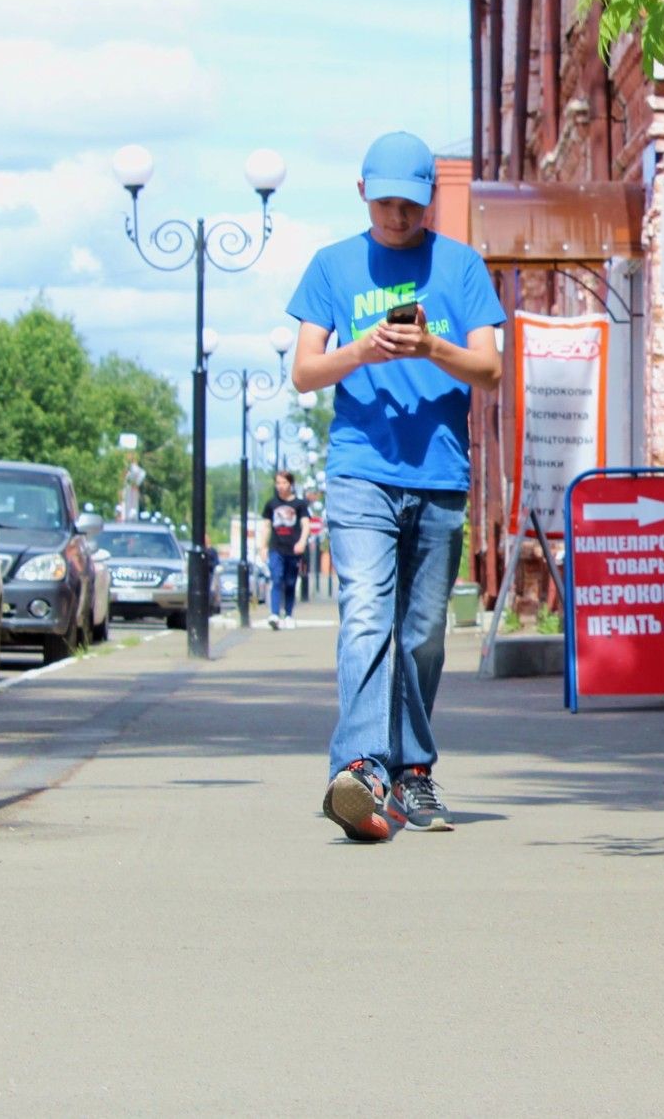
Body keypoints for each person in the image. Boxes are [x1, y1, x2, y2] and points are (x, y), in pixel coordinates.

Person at [287, 131, 504, 842]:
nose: (397, 217)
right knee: (365, 616)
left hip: (438, 473)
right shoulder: (333, 265)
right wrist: (364, 348)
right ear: (362, 194)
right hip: (360, 472)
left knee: (424, 635)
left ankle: (411, 774)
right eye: (384, 204)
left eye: (409, 205)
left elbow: (489, 369)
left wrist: (430, 347)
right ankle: (361, 768)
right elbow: (305, 372)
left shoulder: (461, 265)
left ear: (429, 200)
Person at [257, 470, 309, 629]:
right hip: (276, 547)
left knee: (290, 582)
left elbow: (306, 525)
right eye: (278, 483)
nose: (281, 486)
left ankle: (288, 614)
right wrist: (263, 546)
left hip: (293, 549)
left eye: (284, 483)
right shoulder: (271, 504)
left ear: (290, 484)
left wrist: (302, 542)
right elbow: (266, 526)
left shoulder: (299, 504)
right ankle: (274, 614)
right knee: (276, 578)